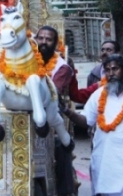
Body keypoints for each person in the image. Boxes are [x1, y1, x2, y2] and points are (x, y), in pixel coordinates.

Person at [64, 54, 123, 195]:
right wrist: (68, 112)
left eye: (115, 69)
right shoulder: (98, 95)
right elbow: (86, 121)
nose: (111, 73)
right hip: (105, 160)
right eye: (108, 70)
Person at [34, 26, 75, 196]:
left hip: (50, 121)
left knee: (61, 146)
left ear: (55, 43)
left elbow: (53, 93)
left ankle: (65, 191)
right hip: (23, 116)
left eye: (48, 39)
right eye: (40, 38)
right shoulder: (27, 60)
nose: (43, 42)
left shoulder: (61, 67)